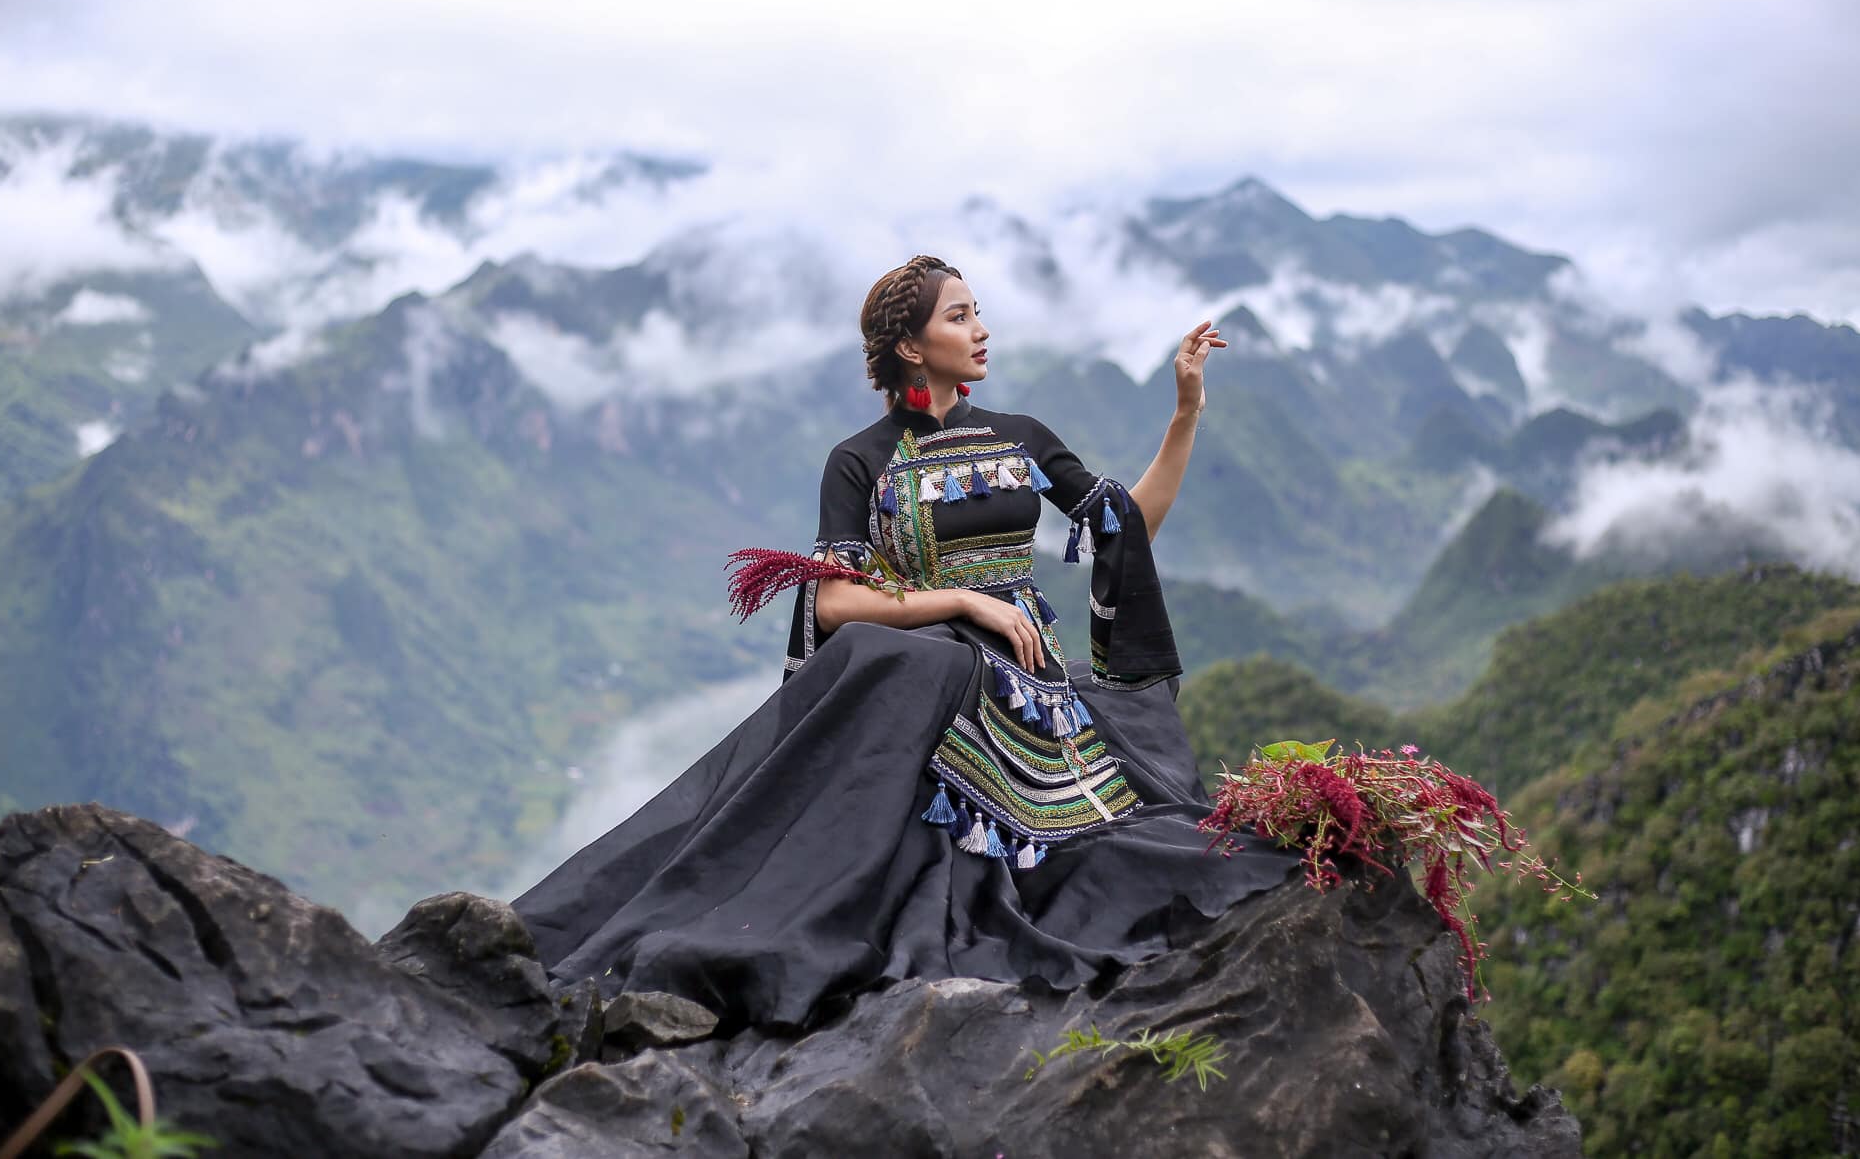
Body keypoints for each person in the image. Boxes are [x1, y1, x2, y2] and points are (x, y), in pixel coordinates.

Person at [512, 255, 1299, 1031]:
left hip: (1028, 687)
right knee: (894, 658)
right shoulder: (859, 460)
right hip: (933, 671)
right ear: (912, 349)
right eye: (959, 316)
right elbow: (833, 603)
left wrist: (1185, 411)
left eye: (977, 311)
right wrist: (961, 600)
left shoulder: (1021, 436)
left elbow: (1127, 530)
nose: (982, 329)